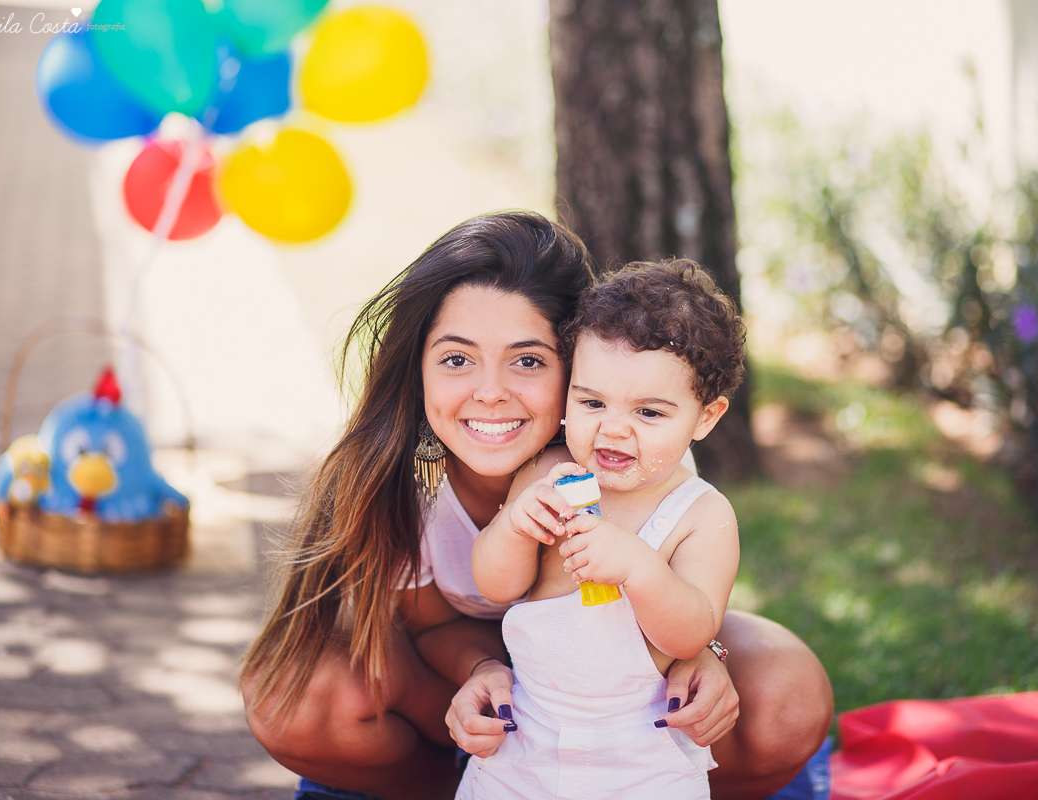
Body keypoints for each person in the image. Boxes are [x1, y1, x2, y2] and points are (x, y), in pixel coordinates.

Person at [239, 211, 833, 800]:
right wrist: (481, 670)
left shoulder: (638, 454)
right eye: (456, 358)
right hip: (491, 700)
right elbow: (436, 621)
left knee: (789, 691)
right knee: (291, 690)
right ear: (418, 366)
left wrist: (703, 652)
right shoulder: (404, 484)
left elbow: (689, 598)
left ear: (572, 364)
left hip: (623, 696)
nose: (491, 392)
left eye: (528, 360)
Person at [458, 259, 744, 799]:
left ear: (705, 417)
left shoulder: (701, 514)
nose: (613, 427)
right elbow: (496, 585)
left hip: (641, 750)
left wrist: (639, 568)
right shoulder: (547, 473)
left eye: (650, 413)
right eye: (591, 402)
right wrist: (517, 525)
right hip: (528, 734)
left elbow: (690, 633)